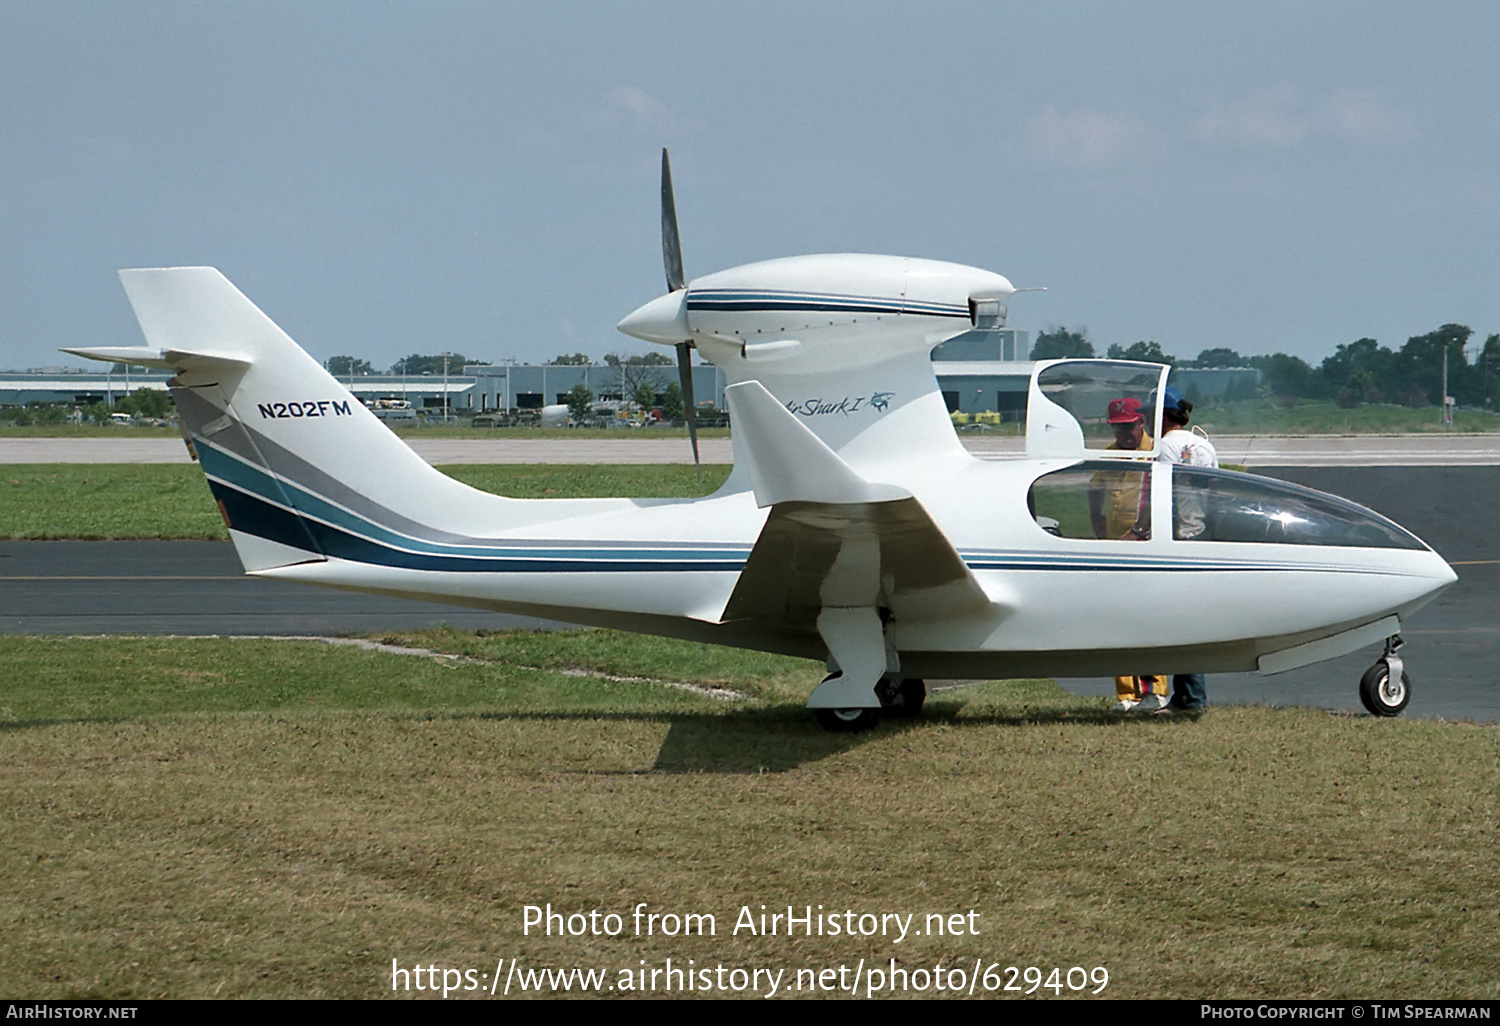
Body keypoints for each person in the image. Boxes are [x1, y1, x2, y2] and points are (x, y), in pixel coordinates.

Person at [1087, 396, 1165, 711]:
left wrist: (1141, 532)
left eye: (1128, 426)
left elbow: (1161, 496)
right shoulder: (1109, 455)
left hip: (1146, 546)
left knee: (1146, 618)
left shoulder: (1154, 453)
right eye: (1117, 428)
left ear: (1141, 422)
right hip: (1115, 545)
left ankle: (1154, 690)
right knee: (1116, 617)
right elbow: (1093, 487)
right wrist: (1096, 521)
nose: (1123, 434)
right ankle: (1126, 695)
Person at [1156, 386, 1218, 713]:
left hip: (1175, 538)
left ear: (1164, 415)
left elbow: (1160, 494)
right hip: (1202, 536)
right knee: (1193, 616)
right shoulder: (1204, 445)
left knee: (1180, 618)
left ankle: (1191, 698)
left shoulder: (1163, 447)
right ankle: (1186, 695)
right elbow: (1215, 491)